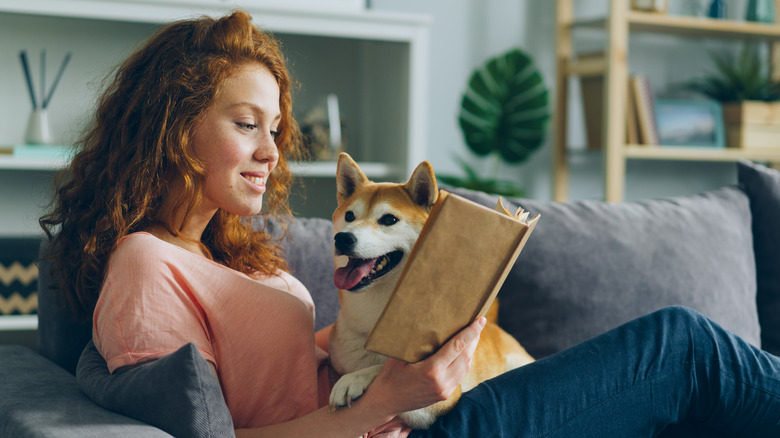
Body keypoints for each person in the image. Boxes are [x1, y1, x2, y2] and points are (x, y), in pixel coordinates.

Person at [40, 11, 780, 438]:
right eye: (246, 124)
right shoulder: (146, 267)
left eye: (276, 128)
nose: (271, 151)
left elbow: (287, 374)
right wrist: (393, 394)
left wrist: (415, 322)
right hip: (409, 426)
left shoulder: (223, 253)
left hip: (409, 409)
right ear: (176, 129)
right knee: (683, 348)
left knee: (686, 384)